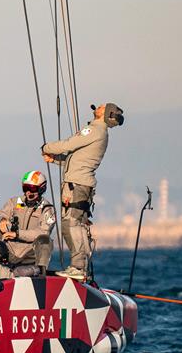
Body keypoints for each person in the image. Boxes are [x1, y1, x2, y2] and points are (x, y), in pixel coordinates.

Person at [41, 103, 124, 280]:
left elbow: (68, 145)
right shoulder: (99, 133)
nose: (98, 106)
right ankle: (81, 267)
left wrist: (47, 147)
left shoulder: (93, 130)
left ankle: (78, 267)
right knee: (76, 224)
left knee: (70, 224)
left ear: (105, 114)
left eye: (102, 106)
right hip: (82, 184)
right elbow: (77, 159)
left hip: (76, 185)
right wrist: (55, 159)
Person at [0, 170, 57, 273]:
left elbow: (43, 232)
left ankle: (40, 271)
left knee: (45, 240)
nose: (28, 192)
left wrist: (17, 234)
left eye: (32, 188)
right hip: (10, 250)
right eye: (25, 187)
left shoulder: (47, 209)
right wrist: (2, 220)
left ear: (41, 188)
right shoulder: (14, 202)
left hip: (30, 253)